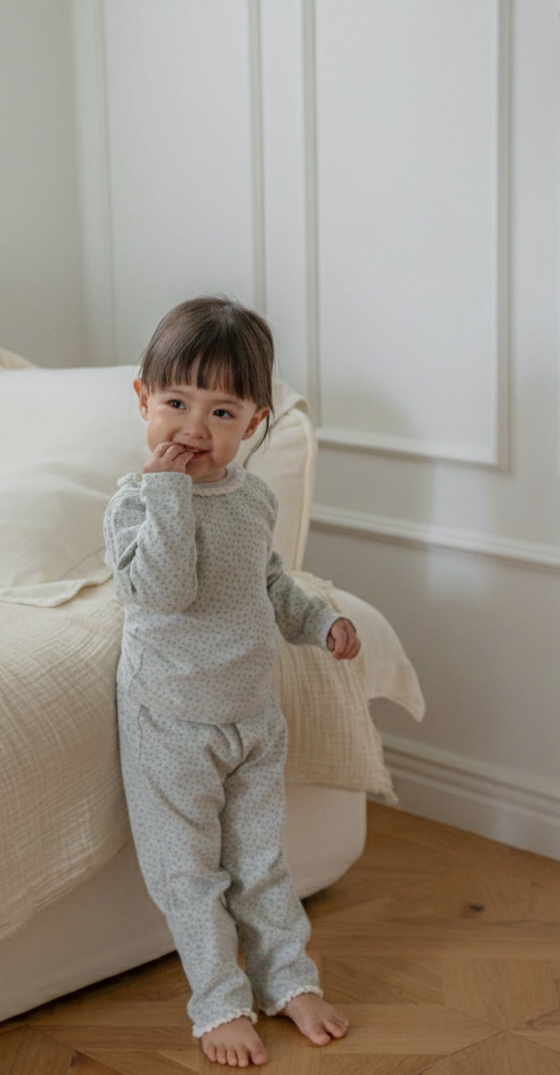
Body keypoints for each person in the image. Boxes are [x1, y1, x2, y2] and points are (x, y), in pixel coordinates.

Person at [102, 297, 360, 1068]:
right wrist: (169, 494)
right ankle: (217, 1000)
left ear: (253, 423)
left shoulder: (253, 498)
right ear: (143, 399)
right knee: (189, 874)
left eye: (221, 410)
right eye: (176, 402)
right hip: (171, 721)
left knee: (261, 863)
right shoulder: (134, 503)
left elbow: (270, 583)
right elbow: (161, 590)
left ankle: (289, 979)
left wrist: (319, 623)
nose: (193, 427)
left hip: (253, 716)